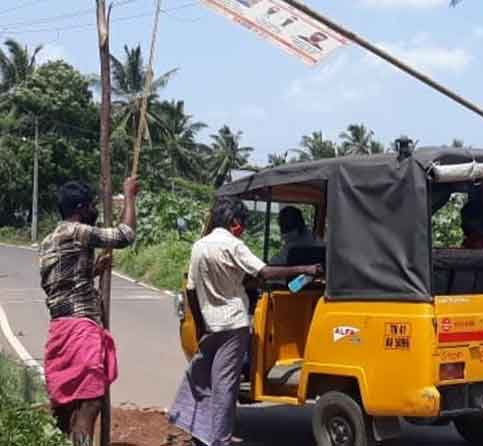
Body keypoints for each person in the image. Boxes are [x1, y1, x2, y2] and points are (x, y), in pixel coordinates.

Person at [169, 197, 320, 446]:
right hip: (234, 324)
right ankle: (220, 438)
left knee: (200, 376)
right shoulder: (234, 245)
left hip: (211, 324)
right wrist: (304, 269)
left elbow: (192, 289)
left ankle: (198, 430)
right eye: (244, 224)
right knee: (225, 384)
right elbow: (265, 272)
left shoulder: (199, 246)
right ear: (235, 223)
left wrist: (199, 323)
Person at [40, 177, 139, 445]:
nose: (94, 211)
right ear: (82, 208)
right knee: (89, 402)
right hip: (80, 329)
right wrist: (130, 196)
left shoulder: (50, 240)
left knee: (68, 405)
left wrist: (93, 271)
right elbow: (124, 235)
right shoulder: (77, 231)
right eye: (92, 206)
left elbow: (60, 283)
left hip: (59, 329)